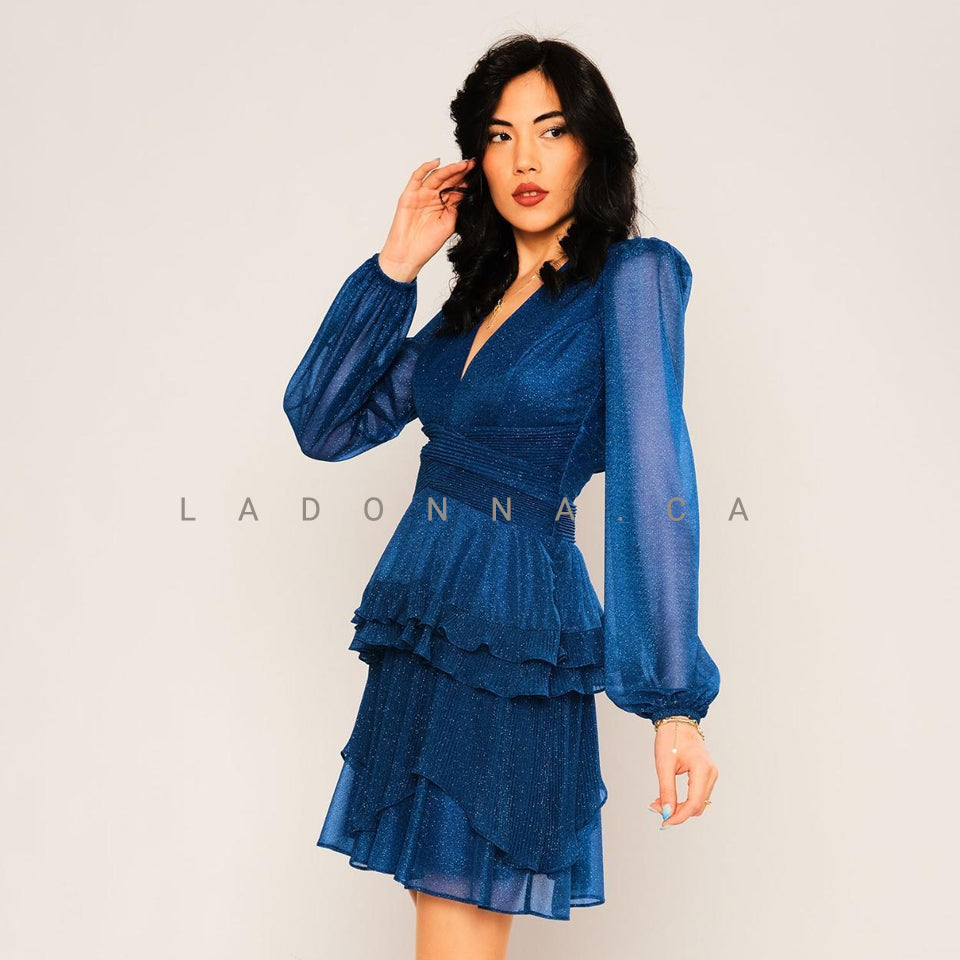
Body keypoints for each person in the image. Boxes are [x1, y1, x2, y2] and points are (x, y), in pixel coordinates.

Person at [283, 34, 720, 960]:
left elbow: (657, 483)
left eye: (552, 131)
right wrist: (394, 267)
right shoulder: (467, 308)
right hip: (425, 622)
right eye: (500, 135)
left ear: (593, 148)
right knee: (443, 924)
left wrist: (672, 699)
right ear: (475, 158)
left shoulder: (632, 280)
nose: (525, 159)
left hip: (512, 633)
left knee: (453, 928)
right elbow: (323, 424)